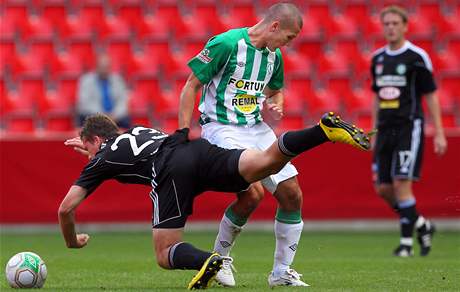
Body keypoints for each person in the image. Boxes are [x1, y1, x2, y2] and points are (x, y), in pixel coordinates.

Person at [58, 112, 370, 290]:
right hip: (196, 150)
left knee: (164, 252)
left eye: (88, 148)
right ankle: (321, 131)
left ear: (96, 141)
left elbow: (66, 208)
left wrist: (72, 241)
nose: (88, 155)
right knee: (265, 163)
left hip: (171, 172)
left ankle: (208, 260)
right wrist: (93, 149)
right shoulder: (139, 130)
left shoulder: (99, 160)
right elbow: (116, 147)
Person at [178, 3, 311, 287]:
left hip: (256, 129)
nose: (287, 45)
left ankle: (281, 272)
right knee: (252, 195)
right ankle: (220, 259)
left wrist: (276, 104)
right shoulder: (225, 44)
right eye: (288, 38)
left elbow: (276, 91)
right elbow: (191, 85)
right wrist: (182, 131)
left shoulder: (274, 56)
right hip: (221, 128)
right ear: (275, 26)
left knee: (292, 194)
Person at [370, 5, 447, 257]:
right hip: (384, 129)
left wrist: (439, 132)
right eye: (387, 24)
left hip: (408, 126)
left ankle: (405, 245)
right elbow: (377, 96)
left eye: (395, 23)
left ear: (405, 26)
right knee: (383, 188)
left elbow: (431, 94)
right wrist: (372, 130)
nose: (390, 28)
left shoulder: (416, 56)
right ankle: (422, 225)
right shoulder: (378, 59)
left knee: (402, 183)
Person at [76, 53, 131, 129]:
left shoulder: (118, 80)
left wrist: (115, 115)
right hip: (95, 117)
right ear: (96, 67)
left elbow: (123, 102)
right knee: (83, 117)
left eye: (107, 67)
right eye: (102, 67)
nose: (104, 70)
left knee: (126, 118)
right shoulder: (86, 80)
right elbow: (84, 103)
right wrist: (103, 116)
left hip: (115, 118)